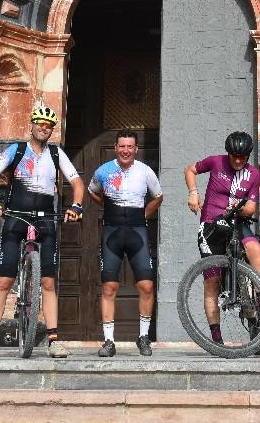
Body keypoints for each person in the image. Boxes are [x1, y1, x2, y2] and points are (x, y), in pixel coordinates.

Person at [0, 106, 86, 359]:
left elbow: (77, 182)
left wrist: (76, 205)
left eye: (48, 126)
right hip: (15, 217)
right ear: (32, 125)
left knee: (48, 282)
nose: (43, 128)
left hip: (46, 220)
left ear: (51, 130)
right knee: (4, 281)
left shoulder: (57, 154)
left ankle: (53, 340)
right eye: (40, 123)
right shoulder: (16, 150)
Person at [183, 130, 260, 345]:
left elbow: (250, 208)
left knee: (256, 252)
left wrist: (239, 210)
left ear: (248, 155)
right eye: (234, 156)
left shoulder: (253, 175)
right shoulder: (215, 162)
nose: (238, 160)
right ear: (228, 154)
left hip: (237, 223)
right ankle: (216, 337)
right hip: (212, 224)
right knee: (212, 282)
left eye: (242, 157)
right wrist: (193, 192)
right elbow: (190, 170)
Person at [87, 130, 163, 357]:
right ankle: (109, 341)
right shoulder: (104, 171)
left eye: (130, 147)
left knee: (146, 286)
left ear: (136, 149)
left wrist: (143, 215)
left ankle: (143, 337)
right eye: (122, 146)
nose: (126, 151)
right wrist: (108, 208)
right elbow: (92, 191)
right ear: (115, 147)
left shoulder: (145, 171)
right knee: (109, 287)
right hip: (111, 231)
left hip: (137, 231)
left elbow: (158, 196)